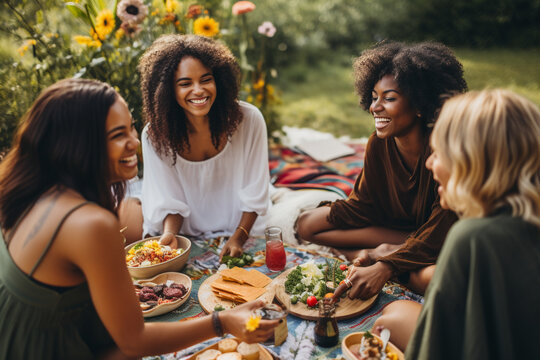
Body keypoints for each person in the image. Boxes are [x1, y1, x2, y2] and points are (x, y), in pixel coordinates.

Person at [0, 78, 279, 359]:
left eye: (131, 127)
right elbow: (135, 342)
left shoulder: (31, 191)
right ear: (79, 145)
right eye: (118, 135)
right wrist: (223, 322)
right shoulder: (90, 224)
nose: (134, 141)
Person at [371, 89, 540, 358]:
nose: (428, 163)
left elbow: (436, 348)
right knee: (396, 311)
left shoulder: (472, 237)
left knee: (386, 322)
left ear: (470, 162)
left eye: (438, 153)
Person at [298, 41, 467, 296]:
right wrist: (333, 214)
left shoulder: (444, 153)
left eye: (389, 98)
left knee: (430, 280)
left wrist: (388, 264)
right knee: (306, 224)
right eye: (374, 97)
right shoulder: (378, 144)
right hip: (393, 230)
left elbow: (442, 229)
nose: (375, 107)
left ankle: (380, 258)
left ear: (421, 105)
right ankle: (373, 255)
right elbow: (364, 204)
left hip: (435, 238)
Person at [137, 34, 271, 260]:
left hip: (246, 231)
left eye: (206, 79)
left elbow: (255, 193)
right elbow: (169, 200)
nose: (198, 90)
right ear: (168, 90)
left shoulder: (249, 120)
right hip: (190, 237)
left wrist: (239, 237)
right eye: (185, 83)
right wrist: (170, 235)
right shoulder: (154, 136)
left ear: (219, 79)